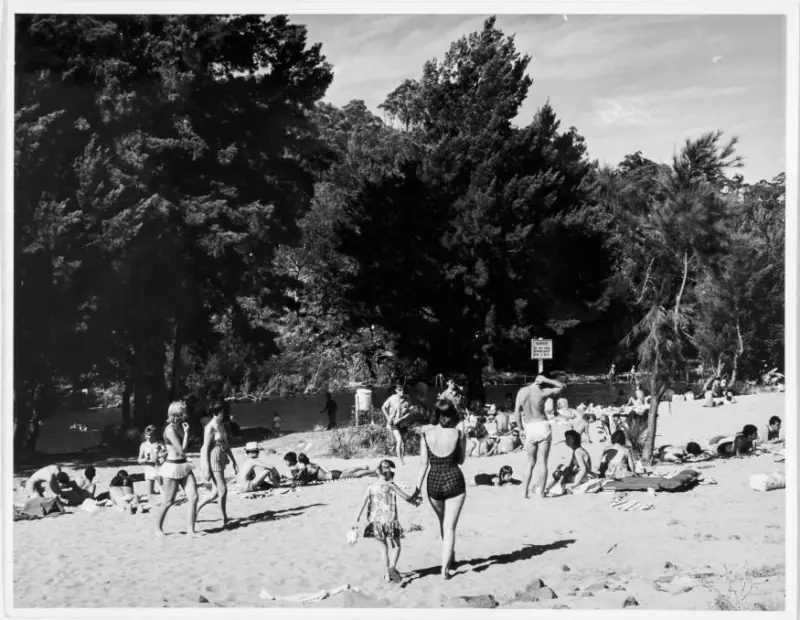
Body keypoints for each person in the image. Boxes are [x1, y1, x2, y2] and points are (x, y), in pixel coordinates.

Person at [411, 400, 467, 580]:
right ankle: (445, 568)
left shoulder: (426, 435)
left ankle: (450, 557)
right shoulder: (459, 434)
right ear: (453, 415)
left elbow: (423, 465)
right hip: (453, 479)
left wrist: (417, 489)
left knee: (443, 523)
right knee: (449, 527)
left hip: (433, 482)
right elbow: (460, 460)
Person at [352, 459, 420, 583]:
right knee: (397, 546)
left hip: (375, 523)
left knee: (383, 549)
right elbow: (405, 497)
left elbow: (362, 503)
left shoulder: (371, 487)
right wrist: (415, 502)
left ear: (377, 471)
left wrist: (355, 519)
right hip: (390, 521)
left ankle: (387, 576)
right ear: (389, 472)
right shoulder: (391, 485)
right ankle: (392, 567)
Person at [514, 374, 567, 499]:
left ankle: (524, 492)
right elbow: (562, 387)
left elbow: (516, 411)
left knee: (530, 462)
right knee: (542, 462)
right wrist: (547, 379)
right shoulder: (543, 392)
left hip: (529, 426)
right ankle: (541, 492)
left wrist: (520, 428)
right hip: (542, 425)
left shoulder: (522, 391)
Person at [155, 401, 199, 537]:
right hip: (172, 467)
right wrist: (186, 435)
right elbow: (181, 450)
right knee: (168, 501)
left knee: (194, 497)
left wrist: (186, 433)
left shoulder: (180, 426)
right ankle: (157, 528)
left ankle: (191, 530)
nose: (185, 414)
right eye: (183, 412)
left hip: (184, 466)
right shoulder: (170, 429)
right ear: (177, 414)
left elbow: (183, 452)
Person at [197, 401, 239, 527]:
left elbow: (226, 444)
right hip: (213, 457)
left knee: (215, 493)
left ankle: (197, 507)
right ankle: (224, 519)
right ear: (218, 412)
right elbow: (205, 448)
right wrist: (207, 468)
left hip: (221, 455)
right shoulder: (210, 427)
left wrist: (234, 461)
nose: (224, 414)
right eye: (222, 412)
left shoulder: (221, 424)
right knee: (223, 489)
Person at [546, 430, 593, 496]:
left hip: (585, 476)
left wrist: (575, 484)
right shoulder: (576, 451)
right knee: (560, 472)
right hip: (581, 475)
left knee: (558, 474)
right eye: (566, 438)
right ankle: (547, 488)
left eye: (568, 438)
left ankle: (548, 489)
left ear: (574, 440)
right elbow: (570, 467)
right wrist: (564, 474)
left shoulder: (578, 452)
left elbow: (583, 469)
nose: (566, 440)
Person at [282, 452, 374, 484]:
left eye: (286, 461)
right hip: (330, 473)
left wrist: (292, 478)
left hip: (332, 476)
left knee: (355, 475)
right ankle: (362, 467)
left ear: (291, 461)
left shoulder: (300, 466)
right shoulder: (302, 464)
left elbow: (303, 479)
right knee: (347, 470)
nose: (285, 463)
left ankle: (374, 471)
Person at [382, 383, 413, 465]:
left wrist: (403, 418)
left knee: (404, 442)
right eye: (399, 390)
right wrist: (388, 417)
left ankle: (402, 457)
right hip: (393, 423)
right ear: (396, 390)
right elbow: (383, 407)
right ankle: (400, 460)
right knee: (399, 440)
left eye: (402, 389)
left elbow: (410, 411)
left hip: (403, 423)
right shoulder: (392, 398)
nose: (401, 391)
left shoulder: (407, 399)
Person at [138, 424, 166, 505]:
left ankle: (165, 502)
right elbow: (139, 460)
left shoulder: (159, 444)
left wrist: (162, 457)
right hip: (149, 468)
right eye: (147, 435)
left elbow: (164, 455)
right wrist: (145, 460)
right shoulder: (143, 445)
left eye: (150, 435)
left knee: (163, 490)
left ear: (154, 435)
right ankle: (154, 504)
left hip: (158, 468)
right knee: (150, 493)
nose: (148, 437)